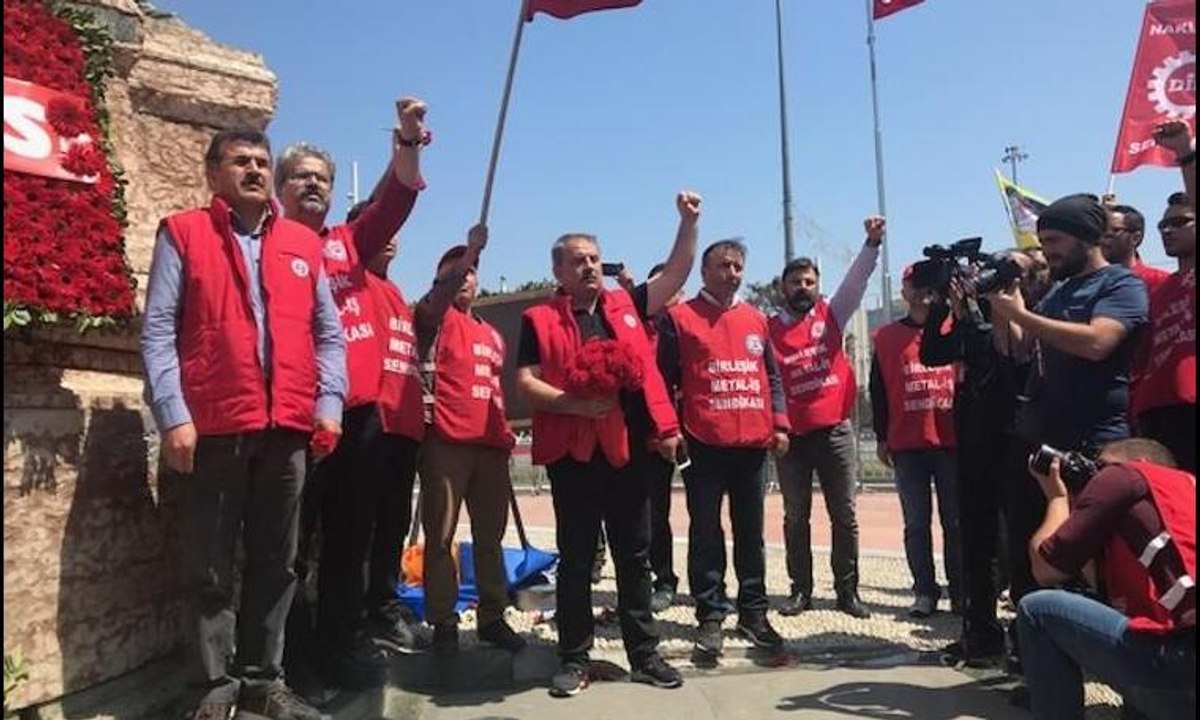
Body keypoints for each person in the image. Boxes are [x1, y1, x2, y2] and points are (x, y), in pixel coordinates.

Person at [141, 128, 345, 720]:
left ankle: (264, 682)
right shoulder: (183, 233)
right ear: (213, 175)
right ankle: (211, 689)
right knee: (209, 564)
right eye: (240, 162)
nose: (255, 171)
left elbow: (327, 335)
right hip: (215, 428)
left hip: (287, 430)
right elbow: (158, 331)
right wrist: (173, 415)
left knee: (277, 563)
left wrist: (327, 407)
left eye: (261, 161)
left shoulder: (304, 247)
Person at [515, 191, 701, 698]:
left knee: (634, 556)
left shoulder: (628, 306)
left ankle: (644, 653)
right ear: (558, 270)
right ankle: (574, 658)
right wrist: (572, 404)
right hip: (572, 456)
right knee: (576, 559)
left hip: (627, 454)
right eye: (579, 261)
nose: (590, 267)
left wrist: (688, 223)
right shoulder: (538, 319)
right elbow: (526, 382)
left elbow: (677, 274)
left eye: (594, 259)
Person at [274, 98, 429, 690]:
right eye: (302, 176)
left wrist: (408, 141)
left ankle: (341, 648)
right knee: (288, 548)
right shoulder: (264, 243)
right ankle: (293, 660)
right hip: (291, 415)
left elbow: (396, 201)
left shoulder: (347, 243)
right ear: (281, 188)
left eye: (323, 179)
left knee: (347, 544)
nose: (313, 185)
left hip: (358, 422)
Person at [987, 192, 1150, 670]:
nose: (1048, 251)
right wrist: (1004, 310)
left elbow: (1100, 343)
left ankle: (1126, 670)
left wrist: (1023, 316)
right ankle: (1045, 669)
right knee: (1039, 558)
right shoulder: (1056, 293)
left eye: (1055, 240)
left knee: (1104, 565)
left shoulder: (1121, 285)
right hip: (1046, 445)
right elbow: (1017, 351)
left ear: (1087, 237)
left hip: (1101, 444)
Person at [919, 247, 1052, 664]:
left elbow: (1015, 359)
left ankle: (1027, 640)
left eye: (1012, 268)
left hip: (1016, 436)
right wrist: (945, 304)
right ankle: (980, 632)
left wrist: (998, 301)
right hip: (974, 434)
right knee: (974, 534)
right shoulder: (971, 311)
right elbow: (932, 353)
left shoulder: (1035, 311)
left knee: (1017, 536)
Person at [659, 239, 791, 660]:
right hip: (703, 441)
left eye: (738, 266)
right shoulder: (679, 319)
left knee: (751, 532)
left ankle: (753, 611)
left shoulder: (756, 319)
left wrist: (781, 423)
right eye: (724, 266)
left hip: (753, 443)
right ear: (704, 271)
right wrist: (668, 429)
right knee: (706, 531)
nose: (732, 273)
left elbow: (771, 377)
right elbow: (662, 379)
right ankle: (710, 614)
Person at [1017, 438, 1195, 720]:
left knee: (1036, 610)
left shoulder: (1124, 476)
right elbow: (1104, 595)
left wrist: (1058, 499)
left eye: (1098, 467)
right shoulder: (1183, 496)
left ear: (1140, 462)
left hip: (1183, 670)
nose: (1095, 477)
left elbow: (1046, 570)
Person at [415, 226, 527, 656]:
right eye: (457, 269)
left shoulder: (492, 334)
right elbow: (434, 302)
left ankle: (492, 617)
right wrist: (469, 251)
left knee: (490, 538)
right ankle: (443, 620)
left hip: (490, 446)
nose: (466, 276)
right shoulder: (434, 319)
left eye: (472, 270)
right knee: (440, 536)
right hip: (446, 441)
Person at [768, 216, 883, 620]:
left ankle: (847, 592)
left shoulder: (833, 315)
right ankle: (800, 591)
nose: (803, 288)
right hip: (792, 439)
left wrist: (871, 244)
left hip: (835, 432)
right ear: (783, 287)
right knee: (795, 515)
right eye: (796, 282)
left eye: (809, 281)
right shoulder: (768, 330)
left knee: (844, 514)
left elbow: (856, 282)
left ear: (818, 286)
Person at [870, 265, 962, 617]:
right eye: (915, 285)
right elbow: (878, 390)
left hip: (951, 439)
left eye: (930, 285)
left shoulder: (955, 328)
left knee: (955, 521)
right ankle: (924, 590)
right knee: (916, 522)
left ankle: (961, 590)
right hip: (907, 442)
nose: (924, 292)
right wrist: (882, 436)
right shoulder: (886, 336)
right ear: (904, 290)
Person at [1132, 190, 1196, 473]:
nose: (1168, 230)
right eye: (1162, 226)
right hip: (1157, 416)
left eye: (1181, 222)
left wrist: (1185, 154)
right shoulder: (1161, 290)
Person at [1101, 204, 1170, 294]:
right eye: (1102, 230)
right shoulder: (1090, 282)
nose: (1106, 236)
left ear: (1135, 238)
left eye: (1115, 230)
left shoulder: (1160, 281)